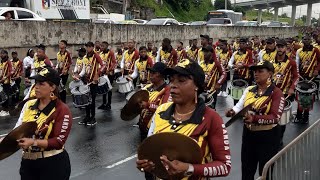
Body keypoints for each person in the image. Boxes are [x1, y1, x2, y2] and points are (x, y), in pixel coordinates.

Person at [136, 59, 231, 179]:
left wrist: (189, 168)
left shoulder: (211, 118)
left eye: (181, 80)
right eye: (171, 80)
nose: (173, 85)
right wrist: (145, 164)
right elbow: (151, 149)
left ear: (197, 86)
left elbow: (224, 166)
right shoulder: (161, 111)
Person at [225, 60, 285, 180]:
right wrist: (232, 112)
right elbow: (239, 106)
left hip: (268, 136)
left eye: (260, 71)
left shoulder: (276, 93)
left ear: (270, 74)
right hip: (248, 134)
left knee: (265, 173)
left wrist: (254, 118)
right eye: (255, 71)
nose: (256, 74)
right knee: (247, 170)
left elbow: (275, 117)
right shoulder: (249, 89)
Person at [14, 67, 72, 180]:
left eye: (41, 83)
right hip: (28, 164)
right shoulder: (29, 104)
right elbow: (18, 129)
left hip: (52, 164)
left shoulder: (62, 109)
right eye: (36, 83)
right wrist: (5, 140)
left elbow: (58, 141)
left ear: (52, 87)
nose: (36, 86)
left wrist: (34, 142)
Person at [137, 62, 171, 180]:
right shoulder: (147, 87)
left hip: (155, 132)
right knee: (145, 162)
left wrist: (148, 105)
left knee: (156, 163)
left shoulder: (167, 90)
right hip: (143, 129)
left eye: (154, 73)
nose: (150, 75)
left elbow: (165, 109)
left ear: (161, 75)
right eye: (150, 72)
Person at [273, 39, 299, 146]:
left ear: (286, 48)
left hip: (284, 94)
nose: (280, 48)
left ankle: (279, 137)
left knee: (281, 117)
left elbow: (296, 76)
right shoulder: (270, 62)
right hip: (272, 93)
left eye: (282, 46)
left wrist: (292, 87)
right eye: (278, 46)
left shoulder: (291, 63)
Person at [78, 41, 105, 126]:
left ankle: (93, 118)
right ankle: (87, 117)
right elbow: (84, 69)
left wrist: (97, 74)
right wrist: (78, 76)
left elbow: (103, 65)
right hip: (86, 81)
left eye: (90, 47)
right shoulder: (85, 57)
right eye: (87, 47)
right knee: (86, 100)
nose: (88, 48)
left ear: (93, 47)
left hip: (94, 82)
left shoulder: (96, 55)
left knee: (92, 100)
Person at [295, 34, 320, 123]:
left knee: (309, 97)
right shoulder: (299, 51)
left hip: (311, 77)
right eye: (304, 39)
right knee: (300, 96)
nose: (306, 41)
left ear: (311, 40)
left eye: (308, 39)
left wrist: (317, 70)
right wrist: (298, 74)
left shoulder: (315, 50)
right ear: (302, 41)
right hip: (302, 77)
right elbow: (297, 63)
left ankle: (306, 116)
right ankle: (298, 115)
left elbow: (319, 61)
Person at [228, 38, 254, 105]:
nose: (241, 45)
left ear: (246, 44)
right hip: (236, 75)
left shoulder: (249, 53)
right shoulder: (235, 53)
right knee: (236, 93)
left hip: (246, 76)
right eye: (240, 43)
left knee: (245, 94)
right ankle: (235, 107)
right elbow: (230, 63)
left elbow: (252, 64)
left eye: (243, 43)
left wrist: (245, 66)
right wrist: (234, 66)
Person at [200, 46, 226, 110]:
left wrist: (218, 83)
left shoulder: (217, 64)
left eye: (206, 52)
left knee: (211, 110)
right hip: (201, 90)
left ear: (211, 53)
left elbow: (224, 74)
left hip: (212, 91)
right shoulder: (201, 64)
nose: (205, 54)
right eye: (204, 52)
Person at [98, 41, 116, 110]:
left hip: (109, 74)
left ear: (107, 46)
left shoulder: (110, 53)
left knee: (109, 88)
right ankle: (104, 103)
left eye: (103, 46)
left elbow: (114, 62)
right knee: (103, 88)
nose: (102, 47)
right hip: (103, 73)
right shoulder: (100, 53)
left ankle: (109, 104)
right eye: (101, 46)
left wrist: (109, 70)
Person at [0, 50, 12, 117]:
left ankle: (7, 110)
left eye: (2, 54)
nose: (1, 55)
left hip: (6, 81)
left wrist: (5, 77)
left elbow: (11, 72)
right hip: (2, 81)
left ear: (6, 54)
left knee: (6, 95)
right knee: (2, 95)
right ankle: (3, 109)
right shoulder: (1, 62)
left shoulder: (8, 62)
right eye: (0, 54)